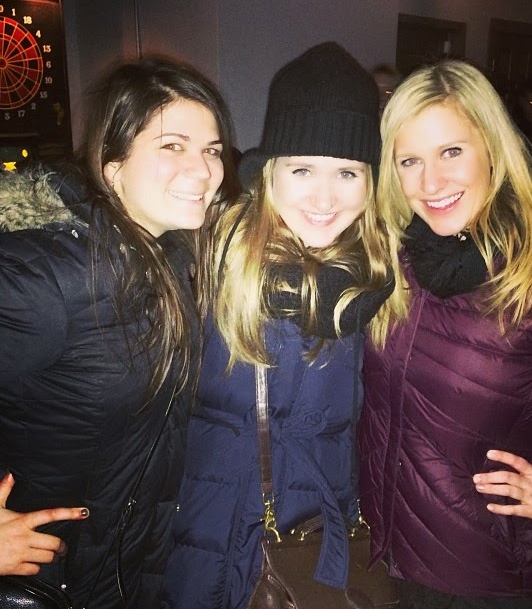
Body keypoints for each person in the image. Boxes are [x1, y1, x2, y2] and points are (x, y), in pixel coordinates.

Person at [358, 59, 532, 608]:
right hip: (399, 564)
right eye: (410, 160)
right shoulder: (397, 253)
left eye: (451, 152)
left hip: (499, 583)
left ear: (492, 145)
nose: (430, 183)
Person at [161, 42, 400, 609]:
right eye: (302, 169)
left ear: (371, 181)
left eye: (347, 172)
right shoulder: (211, 257)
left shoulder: (381, 280)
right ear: (271, 174)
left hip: (320, 541)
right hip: (211, 539)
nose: (324, 197)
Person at [0, 55, 239, 608]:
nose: (203, 171)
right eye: (172, 146)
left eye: (211, 150)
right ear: (112, 166)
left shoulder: (168, 255)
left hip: (123, 571)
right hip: (48, 580)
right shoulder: (47, 277)